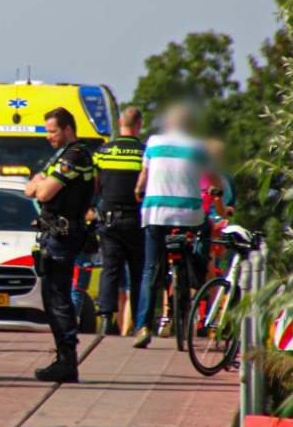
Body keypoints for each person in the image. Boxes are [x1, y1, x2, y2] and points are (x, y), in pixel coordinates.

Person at [132, 104, 224, 349]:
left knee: (150, 270)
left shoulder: (153, 142)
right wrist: (219, 191)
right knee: (205, 230)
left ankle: (143, 327)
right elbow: (213, 178)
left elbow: (144, 176)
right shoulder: (198, 146)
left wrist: (139, 189)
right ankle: (199, 273)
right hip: (189, 213)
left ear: (168, 124)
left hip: (155, 212)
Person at [25, 107, 94, 383]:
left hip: (64, 237)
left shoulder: (75, 156)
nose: (49, 137)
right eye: (47, 132)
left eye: (52, 131)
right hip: (55, 235)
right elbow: (29, 188)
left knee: (58, 299)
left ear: (68, 130)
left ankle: (67, 362)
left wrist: (41, 183)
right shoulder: (61, 156)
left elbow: (41, 191)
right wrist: (40, 183)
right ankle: (63, 359)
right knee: (53, 298)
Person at [93, 107, 146, 337]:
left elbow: (94, 183)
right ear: (140, 125)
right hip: (137, 221)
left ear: (120, 122)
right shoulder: (144, 153)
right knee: (138, 273)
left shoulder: (103, 151)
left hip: (109, 221)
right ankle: (137, 322)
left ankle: (106, 319)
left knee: (110, 270)